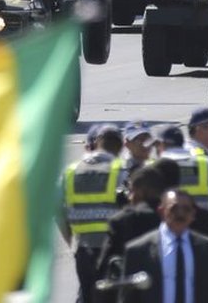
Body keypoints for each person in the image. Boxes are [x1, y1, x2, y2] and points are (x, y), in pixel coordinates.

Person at [119, 189, 208, 303]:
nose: (180, 214)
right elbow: (127, 298)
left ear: (193, 214)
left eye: (186, 209)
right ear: (162, 211)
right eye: (174, 208)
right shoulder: (138, 250)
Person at [60, 123, 126, 303]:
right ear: (120, 146)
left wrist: (71, 242)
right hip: (113, 248)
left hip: (83, 247)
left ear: (96, 143)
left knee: (88, 295)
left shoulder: (71, 171)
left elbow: (58, 210)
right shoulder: (121, 170)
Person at [96, 164, 164, 287]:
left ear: (140, 191)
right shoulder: (171, 217)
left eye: (131, 190)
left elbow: (104, 266)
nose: (128, 196)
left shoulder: (121, 220)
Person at [157, 125, 208, 213]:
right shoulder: (204, 163)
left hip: (173, 222)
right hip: (203, 222)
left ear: (162, 144)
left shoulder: (157, 166)